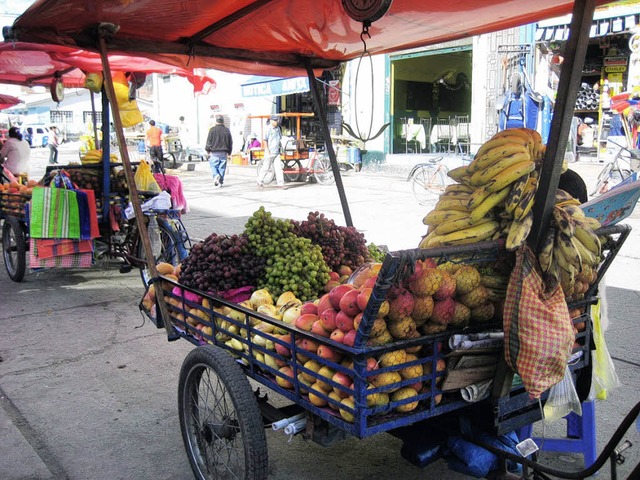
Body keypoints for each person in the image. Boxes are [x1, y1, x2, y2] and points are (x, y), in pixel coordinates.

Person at [257, 116, 286, 189]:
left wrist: (281, 149)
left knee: (279, 168)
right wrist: (267, 149)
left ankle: (280, 183)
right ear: (271, 121)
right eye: (275, 120)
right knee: (266, 167)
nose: (277, 122)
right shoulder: (268, 129)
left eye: (277, 120)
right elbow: (265, 140)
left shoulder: (278, 129)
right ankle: (259, 181)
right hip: (270, 152)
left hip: (277, 152)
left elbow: (280, 139)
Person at [205, 115, 233, 187]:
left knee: (213, 165)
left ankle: (216, 175)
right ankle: (220, 181)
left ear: (216, 121)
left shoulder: (212, 130)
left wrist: (208, 149)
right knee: (222, 167)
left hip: (214, 152)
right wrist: (229, 152)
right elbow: (230, 142)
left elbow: (209, 141)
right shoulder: (227, 130)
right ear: (223, 121)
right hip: (224, 152)